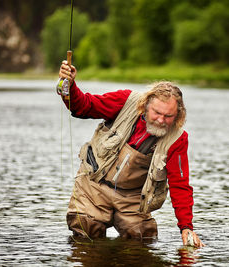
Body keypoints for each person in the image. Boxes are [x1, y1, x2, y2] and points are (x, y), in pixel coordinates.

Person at [58, 60, 204, 248]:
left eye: (168, 116)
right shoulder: (125, 101)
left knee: (144, 240)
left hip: (133, 197)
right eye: (157, 113)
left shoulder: (178, 139)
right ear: (145, 105)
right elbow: (83, 106)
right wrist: (68, 85)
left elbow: (180, 185)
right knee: (86, 233)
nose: (161, 120)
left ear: (178, 115)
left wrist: (186, 227)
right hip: (94, 185)